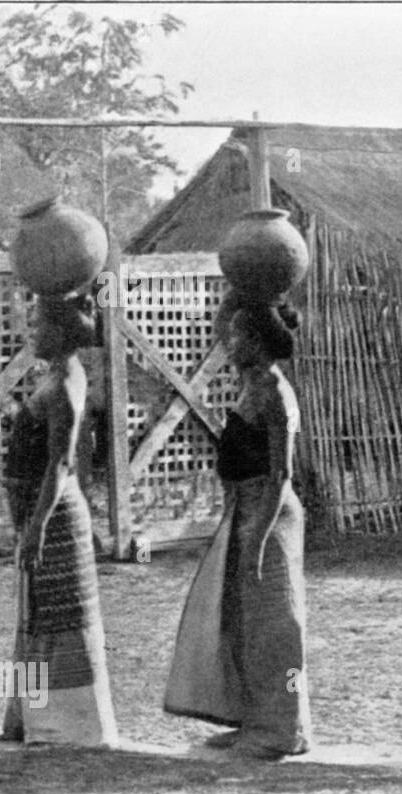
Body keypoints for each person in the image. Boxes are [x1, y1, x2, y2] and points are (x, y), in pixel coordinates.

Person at [164, 295, 311, 760]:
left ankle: (280, 731)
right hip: (243, 512)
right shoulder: (249, 381)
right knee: (243, 622)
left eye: (241, 336)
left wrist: (260, 537)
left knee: (275, 625)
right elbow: (223, 319)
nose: (230, 342)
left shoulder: (277, 393)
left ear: (260, 342)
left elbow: (282, 473)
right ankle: (252, 718)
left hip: (269, 513)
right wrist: (244, 291)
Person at [0, 293, 118, 745]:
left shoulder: (68, 381)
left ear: (62, 333)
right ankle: (33, 719)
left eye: (40, 325)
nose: (33, 332)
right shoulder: (52, 376)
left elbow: (61, 463)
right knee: (39, 613)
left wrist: (38, 527)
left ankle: (68, 725)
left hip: (56, 516)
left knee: (57, 615)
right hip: (39, 510)